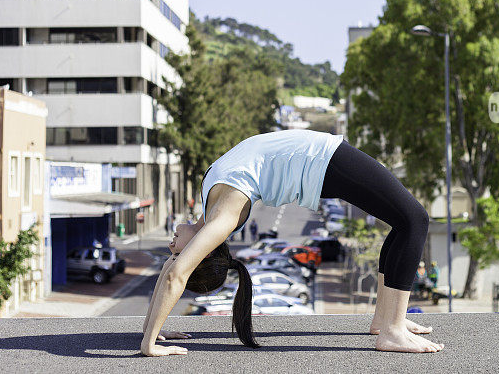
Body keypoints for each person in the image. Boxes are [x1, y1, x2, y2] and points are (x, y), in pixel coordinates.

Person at [140, 129, 441, 356]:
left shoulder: (211, 207)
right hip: (322, 159)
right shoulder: (224, 217)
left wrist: (151, 328)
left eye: (172, 252)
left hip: (320, 155)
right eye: (177, 252)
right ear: (201, 255)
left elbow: (173, 272)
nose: (171, 248)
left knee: (403, 222)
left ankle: (385, 320)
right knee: (415, 220)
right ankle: (391, 329)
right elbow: (176, 274)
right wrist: (148, 344)